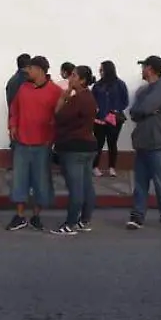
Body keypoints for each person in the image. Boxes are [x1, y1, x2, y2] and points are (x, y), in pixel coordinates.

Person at [6, 55, 62, 231]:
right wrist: (12, 126)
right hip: (21, 142)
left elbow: (59, 116)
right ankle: (20, 215)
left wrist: (52, 139)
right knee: (19, 180)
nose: (27, 71)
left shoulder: (55, 91)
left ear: (39, 70)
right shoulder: (23, 88)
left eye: (30, 69)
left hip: (43, 145)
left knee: (41, 181)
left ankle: (36, 215)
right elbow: (14, 110)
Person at [127, 56, 161, 231]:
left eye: (143, 67)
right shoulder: (144, 90)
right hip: (143, 142)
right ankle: (137, 217)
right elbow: (134, 112)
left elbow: (145, 107)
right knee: (140, 184)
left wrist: (145, 111)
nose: (142, 70)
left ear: (150, 69)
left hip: (160, 143)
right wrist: (144, 111)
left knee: (160, 183)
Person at [53, 65, 98, 235]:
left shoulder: (77, 99)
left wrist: (64, 96)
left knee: (76, 187)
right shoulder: (89, 97)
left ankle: (70, 223)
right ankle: (84, 220)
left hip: (74, 146)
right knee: (86, 184)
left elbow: (59, 115)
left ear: (82, 80)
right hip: (88, 145)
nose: (70, 79)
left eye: (73, 76)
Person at [91, 60, 129, 177]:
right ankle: (95, 167)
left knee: (112, 143)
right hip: (99, 120)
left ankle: (112, 167)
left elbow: (125, 101)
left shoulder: (120, 84)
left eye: (102, 69)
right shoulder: (97, 85)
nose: (100, 71)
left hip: (114, 119)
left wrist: (116, 110)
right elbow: (93, 101)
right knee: (98, 143)